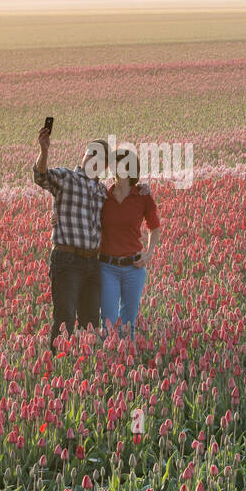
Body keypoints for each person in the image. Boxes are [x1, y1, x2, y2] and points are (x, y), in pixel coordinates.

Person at [34, 127, 108, 347]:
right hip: (68, 261)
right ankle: (57, 371)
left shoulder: (104, 192)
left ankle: (86, 371)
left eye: (99, 156)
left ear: (104, 165)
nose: (92, 158)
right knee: (64, 319)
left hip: (93, 263)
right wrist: (44, 151)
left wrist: (141, 189)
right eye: (90, 152)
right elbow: (41, 176)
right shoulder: (68, 178)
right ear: (83, 155)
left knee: (91, 324)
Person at [98, 148, 161, 338]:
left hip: (134, 266)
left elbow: (154, 227)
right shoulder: (102, 195)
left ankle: (126, 361)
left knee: (128, 324)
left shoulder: (142, 196)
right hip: (107, 266)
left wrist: (148, 253)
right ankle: (109, 363)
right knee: (108, 323)